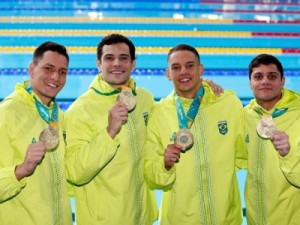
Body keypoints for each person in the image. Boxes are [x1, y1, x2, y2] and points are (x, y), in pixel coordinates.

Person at [144, 44, 247, 225]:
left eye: (190, 66)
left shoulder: (228, 103)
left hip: (226, 218)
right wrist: (165, 164)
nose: (184, 72)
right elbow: (151, 177)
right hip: (179, 219)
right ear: (168, 74)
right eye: (176, 67)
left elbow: (244, 154)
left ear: (200, 69)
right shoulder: (158, 113)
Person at [64, 33, 158, 225]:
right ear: (98, 63)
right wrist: (109, 133)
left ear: (133, 64)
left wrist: (201, 89)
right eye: (109, 58)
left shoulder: (145, 99)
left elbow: (171, 116)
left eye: (123, 58)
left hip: (142, 217)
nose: (116, 63)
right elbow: (74, 172)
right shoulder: (80, 109)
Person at [0, 41, 72, 225]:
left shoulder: (59, 116)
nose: (55, 77)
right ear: (32, 69)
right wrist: (21, 170)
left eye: (62, 72)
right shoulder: (8, 113)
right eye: (48, 68)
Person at [244, 54, 300, 224]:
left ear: (282, 81)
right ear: (250, 83)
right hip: (256, 218)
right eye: (258, 77)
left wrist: (288, 153)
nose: (265, 81)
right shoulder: (245, 115)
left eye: (272, 76)